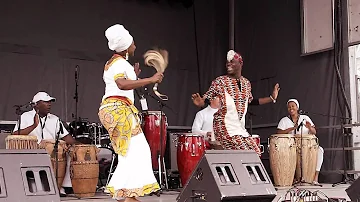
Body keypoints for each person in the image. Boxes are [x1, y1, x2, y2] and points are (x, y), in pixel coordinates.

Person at [98, 24, 162, 202]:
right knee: (139, 149)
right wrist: (150, 79)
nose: (135, 45)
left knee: (127, 152)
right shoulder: (119, 63)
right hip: (118, 109)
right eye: (132, 42)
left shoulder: (116, 63)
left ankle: (123, 193)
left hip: (114, 109)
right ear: (126, 46)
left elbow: (122, 83)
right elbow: (121, 84)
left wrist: (134, 76)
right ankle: (129, 194)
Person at [192, 50, 280, 156]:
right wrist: (201, 102)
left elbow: (251, 101)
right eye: (227, 62)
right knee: (245, 153)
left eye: (232, 61)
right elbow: (207, 98)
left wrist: (271, 98)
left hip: (238, 128)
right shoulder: (220, 82)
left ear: (240, 63)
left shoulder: (246, 83)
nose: (229, 64)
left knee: (256, 153)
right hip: (223, 127)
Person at [13, 91, 78, 196]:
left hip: (53, 149)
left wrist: (79, 145)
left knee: (71, 153)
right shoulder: (25, 116)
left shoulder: (55, 119)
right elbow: (15, 134)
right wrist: (34, 125)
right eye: (46, 102)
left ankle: (61, 185)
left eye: (50, 102)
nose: (49, 104)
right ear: (36, 104)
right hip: (33, 150)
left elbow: (66, 137)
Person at [277, 99, 324, 185]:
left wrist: (310, 128)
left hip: (307, 145)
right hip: (290, 146)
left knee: (320, 150)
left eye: (293, 106)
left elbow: (314, 132)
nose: (291, 108)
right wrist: (292, 129)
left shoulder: (305, 118)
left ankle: (315, 177)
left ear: (297, 107)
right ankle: (293, 178)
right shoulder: (284, 120)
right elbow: (278, 132)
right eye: (289, 107)